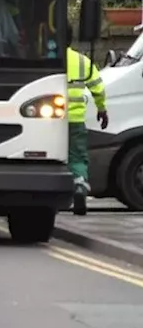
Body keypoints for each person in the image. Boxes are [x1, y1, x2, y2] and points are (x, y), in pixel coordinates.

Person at [66, 45, 109, 215]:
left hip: (47, 120)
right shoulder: (82, 61)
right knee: (77, 157)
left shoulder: (43, 59)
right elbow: (98, 88)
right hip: (75, 120)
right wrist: (102, 109)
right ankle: (79, 186)